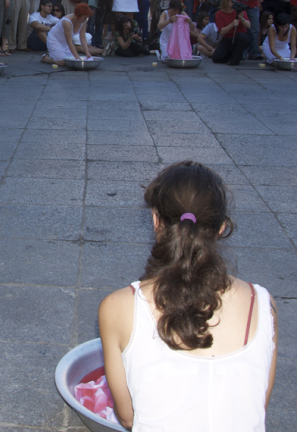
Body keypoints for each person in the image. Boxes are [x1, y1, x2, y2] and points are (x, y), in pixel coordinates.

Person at [99, 161, 277, 430]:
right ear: (221, 228)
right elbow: (254, 408)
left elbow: (127, 417)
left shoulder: (118, 307)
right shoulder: (262, 304)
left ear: (156, 220)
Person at [211, 0, 251, 65]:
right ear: (225, 1)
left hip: (240, 38)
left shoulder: (240, 11)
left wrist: (242, 19)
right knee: (216, 58)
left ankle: (235, 60)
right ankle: (232, 55)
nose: (234, 2)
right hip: (228, 38)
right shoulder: (219, 14)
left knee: (241, 36)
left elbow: (248, 26)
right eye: (232, 1)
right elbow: (222, 31)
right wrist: (232, 24)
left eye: (235, 0)